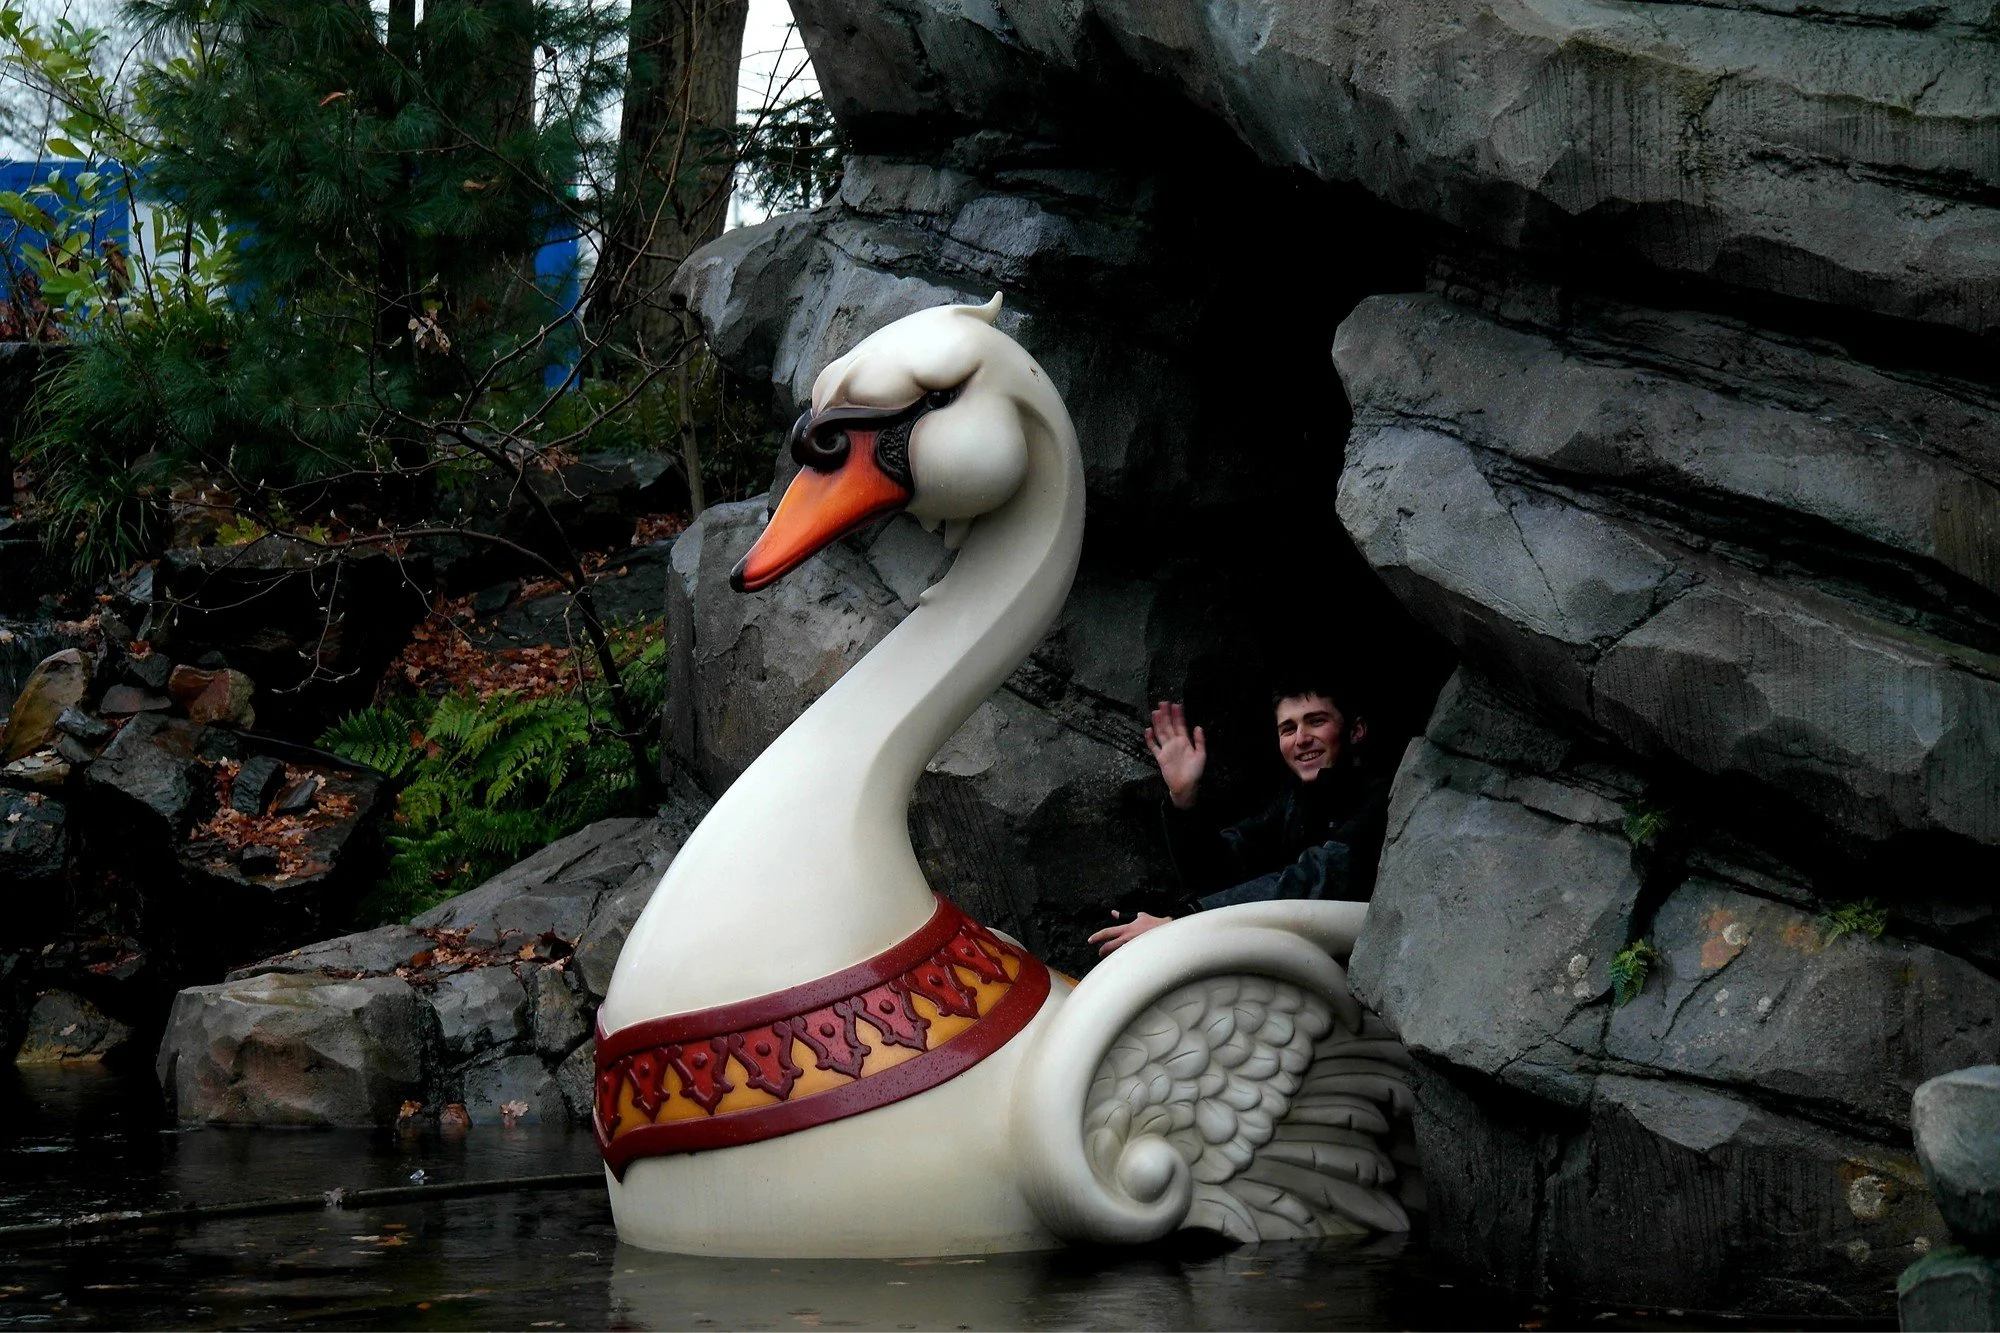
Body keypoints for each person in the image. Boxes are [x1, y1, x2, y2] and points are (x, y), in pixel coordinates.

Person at [1088, 678, 1391, 956]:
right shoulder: (1294, 800)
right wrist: (1184, 799)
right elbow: (1217, 872)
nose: (1301, 738)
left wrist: (1183, 922)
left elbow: (1315, 879)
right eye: (1288, 728)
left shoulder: (1382, 798)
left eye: (1316, 722)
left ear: (1355, 731)